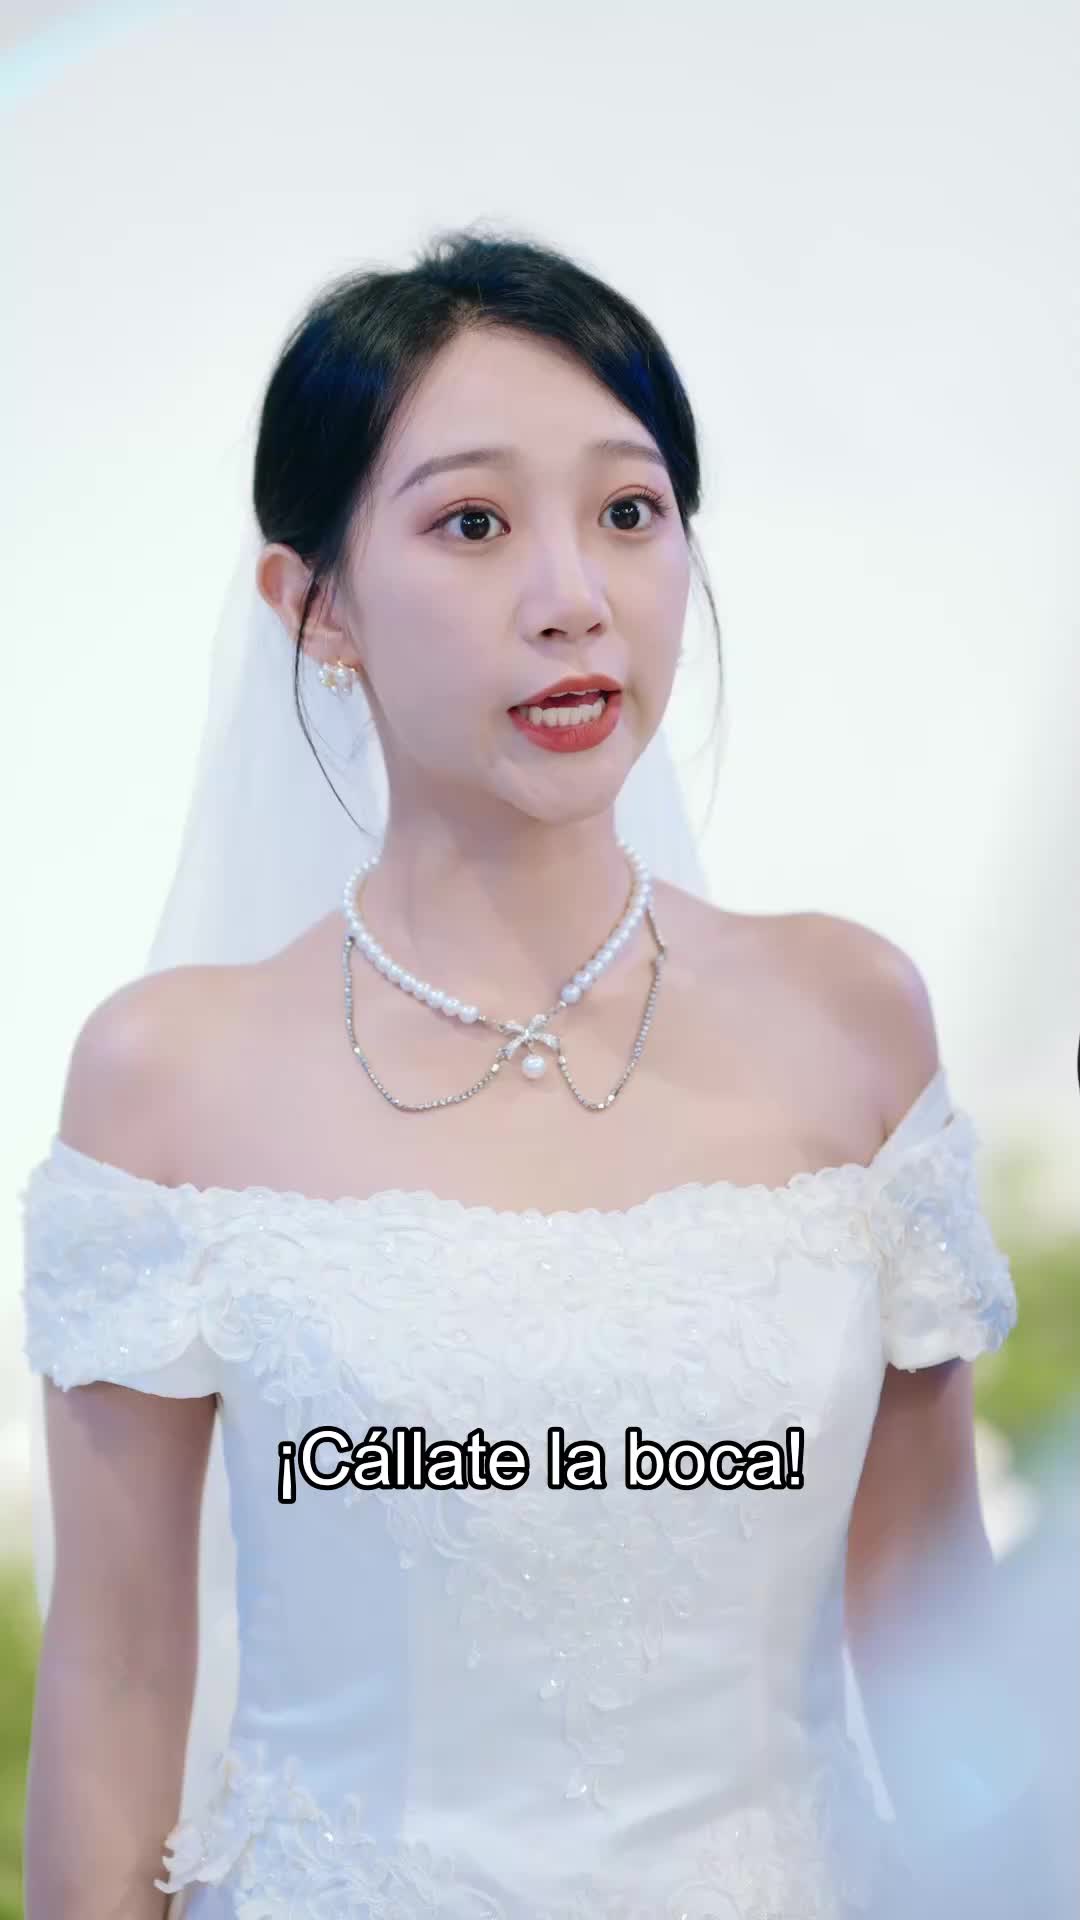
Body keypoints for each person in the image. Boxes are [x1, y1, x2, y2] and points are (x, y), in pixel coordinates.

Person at [19, 227, 1022, 1919]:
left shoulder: (854, 1023)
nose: (572, 595)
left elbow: (939, 1642)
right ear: (315, 608)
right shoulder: (165, 1081)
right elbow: (115, 1690)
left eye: (629, 511)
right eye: (473, 524)